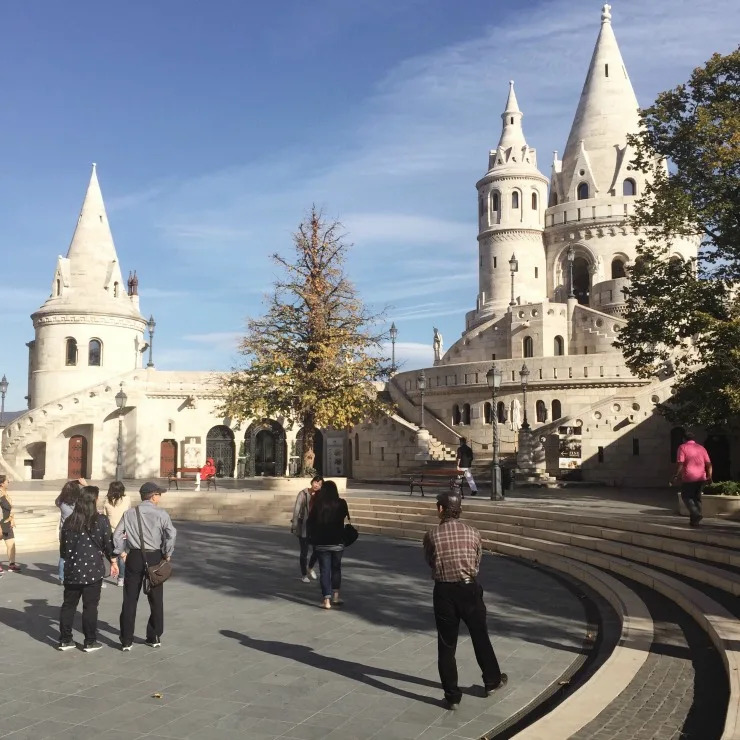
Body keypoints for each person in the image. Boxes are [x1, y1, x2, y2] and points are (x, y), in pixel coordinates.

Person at [423, 492, 507, 710]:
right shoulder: (473, 532)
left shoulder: (432, 535)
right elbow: (477, 560)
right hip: (469, 588)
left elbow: (430, 561)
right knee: (480, 636)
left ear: (441, 509)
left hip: (443, 591)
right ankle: (492, 681)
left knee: (446, 644)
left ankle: (452, 696)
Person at [113, 481, 177, 651]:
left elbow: (118, 533)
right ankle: (154, 636)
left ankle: (126, 639)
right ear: (152, 496)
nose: (160, 497)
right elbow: (171, 533)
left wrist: (121, 551)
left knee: (130, 598)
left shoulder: (129, 513)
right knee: (156, 598)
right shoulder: (161, 514)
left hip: (134, 555)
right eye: (158, 494)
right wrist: (167, 552)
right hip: (155, 556)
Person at [58, 486, 118, 651]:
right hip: (92, 570)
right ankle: (90, 641)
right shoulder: (101, 520)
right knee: (90, 606)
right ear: (94, 500)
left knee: (69, 605)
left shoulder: (70, 521)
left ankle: (65, 639)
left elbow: (63, 549)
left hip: (71, 570)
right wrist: (113, 561)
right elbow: (108, 544)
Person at [306, 480, 350, 610]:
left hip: (321, 542)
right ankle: (336, 596)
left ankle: (326, 600)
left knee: (325, 570)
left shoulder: (318, 505)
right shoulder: (341, 503)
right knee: (336, 568)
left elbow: (310, 522)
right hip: (337, 541)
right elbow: (345, 516)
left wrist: (311, 537)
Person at [673, 432, 712, 526]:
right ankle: (694, 521)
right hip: (701, 477)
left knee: (686, 497)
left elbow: (680, 463)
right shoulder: (701, 448)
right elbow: (709, 464)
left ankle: (696, 514)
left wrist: (675, 475)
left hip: (689, 477)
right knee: (697, 498)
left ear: (684, 439)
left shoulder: (682, 447)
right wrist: (709, 476)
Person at [291, 475, 323, 582]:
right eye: (315, 482)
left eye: (319, 484)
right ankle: (304, 574)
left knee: (318, 549)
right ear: (312, 482)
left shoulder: (321, 496)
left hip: (317, 527)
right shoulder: (303, 493)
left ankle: (310, 567)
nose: (317, 485)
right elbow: (296, 509)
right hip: (304, 526)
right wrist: (294, 525)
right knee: (304, 552)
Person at [55, 479, 84, 583]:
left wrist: (66, 488)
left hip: (64, 531)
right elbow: (90, 498)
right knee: (78, 553)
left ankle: (62, 577)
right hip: (77, 531)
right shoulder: (78, 502)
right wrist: (85, 486)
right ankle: (75, 574)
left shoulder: (61, 502)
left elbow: (57, 500)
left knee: (63, 554)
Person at [103, 481, 131, 586]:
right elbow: (128, 512)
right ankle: (121, 578)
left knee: (114, 553)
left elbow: (105, 516)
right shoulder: (127, 499)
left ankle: (110, 571)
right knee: (122, 554)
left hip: (111, 530)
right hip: (123, 531)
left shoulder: (106, 501)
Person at [0, 475, 21, 573]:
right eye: (7, 481)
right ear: (2, 483)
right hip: (1, 523)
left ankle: (11, 564)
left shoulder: (5, 493)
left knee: (11, 544)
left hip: (7, 522)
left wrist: (12, 520)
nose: (8, 482)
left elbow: (9, 508)